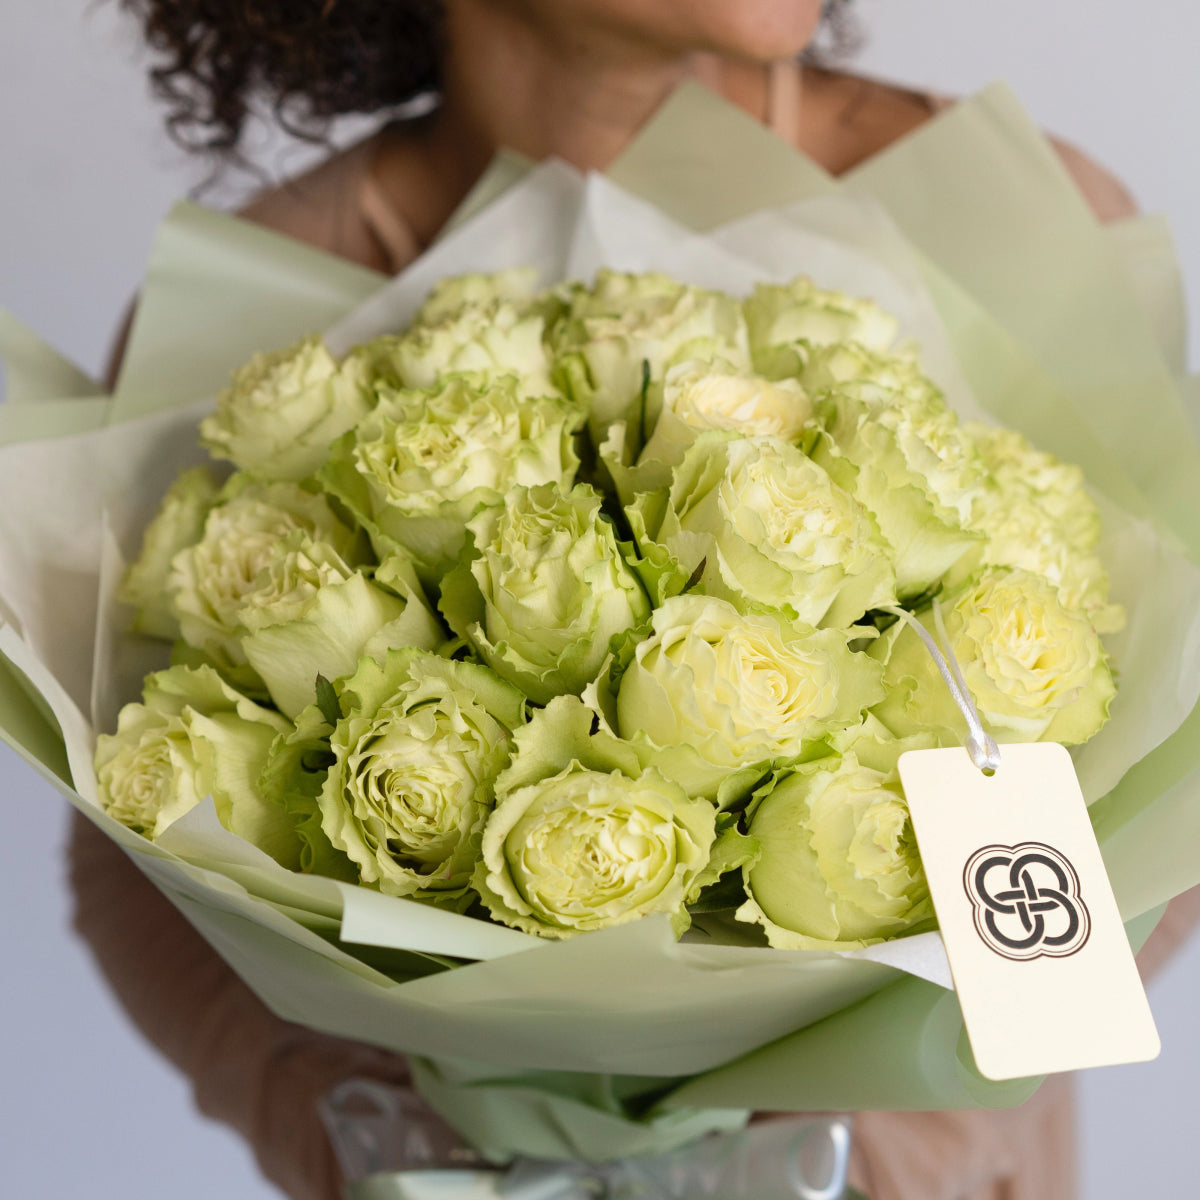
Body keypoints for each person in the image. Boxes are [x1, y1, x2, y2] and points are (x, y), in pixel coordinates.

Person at [71, 1, 1199, 1197]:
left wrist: (849, 1160)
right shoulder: (252, 316)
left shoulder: (1013, 213)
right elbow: (127, 839)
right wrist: (364, 1137)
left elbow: (1163, 786)